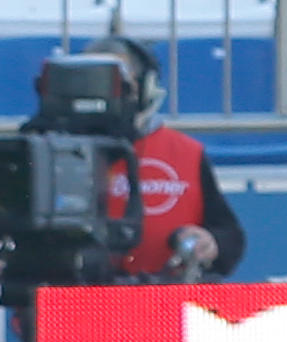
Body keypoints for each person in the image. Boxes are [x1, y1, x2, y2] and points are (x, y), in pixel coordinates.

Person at [84, 36, 245, 280]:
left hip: (165, 294)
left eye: (118, 82)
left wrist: (211, 242)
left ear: (146, 88)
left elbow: (229, 234)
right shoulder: (46, 149)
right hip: (70, 295)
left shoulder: (186, 153)